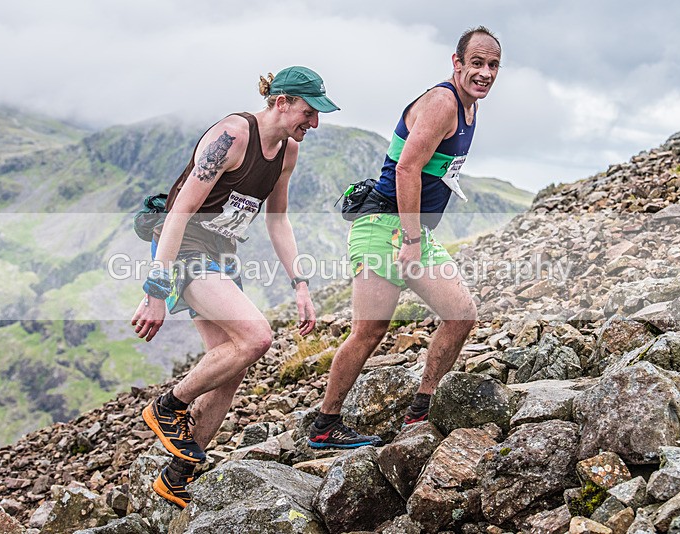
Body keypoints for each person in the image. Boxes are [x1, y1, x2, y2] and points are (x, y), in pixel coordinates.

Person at [131, 66, 339, 507]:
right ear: (281, 102)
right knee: (257, 336)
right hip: (183, 244)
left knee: (230, 363)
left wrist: (300, 284)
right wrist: (155, 289)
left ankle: (178, 476)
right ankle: (168, 407)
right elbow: (180, 210)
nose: (314, 122)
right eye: (309, 111)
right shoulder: (231, 136)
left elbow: (277, 218)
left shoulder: (287, 152)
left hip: (222, 254)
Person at [308, 27, 501, 448]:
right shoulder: (442, 102)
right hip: (384, 227)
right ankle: (325, 424)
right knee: (370, 330)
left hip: (414, 230)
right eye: (477, 63)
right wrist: (411, 242)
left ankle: (422, 408)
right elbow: (406, 169)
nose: (485, 73)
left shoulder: (470, 105)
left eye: (492, 66)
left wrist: (417, 236)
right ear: (457, 62)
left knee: (461, 314)